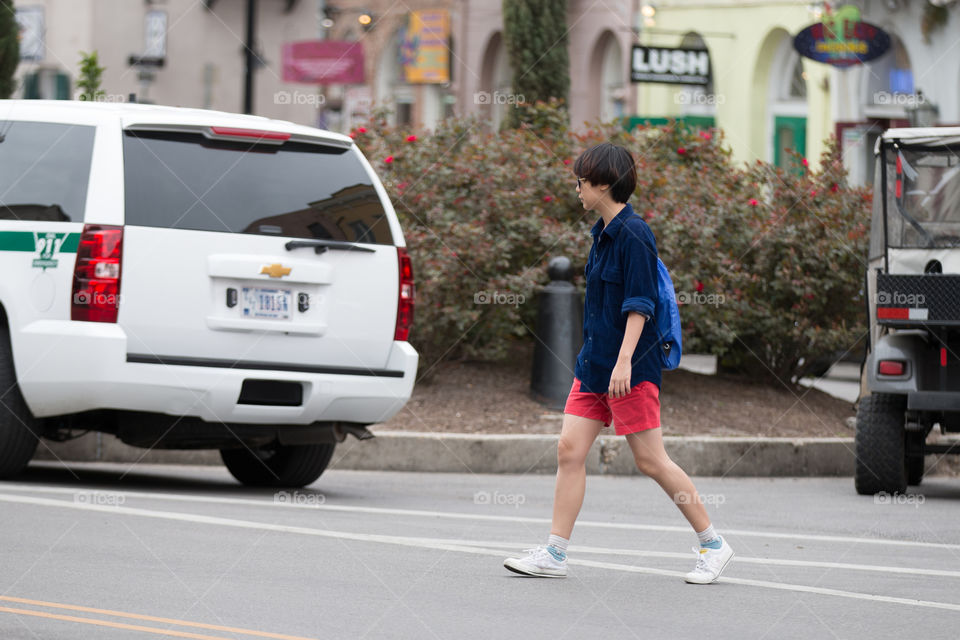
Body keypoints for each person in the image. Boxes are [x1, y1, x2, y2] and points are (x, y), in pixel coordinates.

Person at [503, 142, 734, 584]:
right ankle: (555, 552)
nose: (576, 188)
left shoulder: (634, 233)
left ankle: (713, 544)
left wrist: (625, 361)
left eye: (582, 181)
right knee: (569, 450)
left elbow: (641, 303)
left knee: (651, 461)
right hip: (595, 365)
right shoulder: (600, 234)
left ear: (604, 184)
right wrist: (600, 360)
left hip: (629, 368)